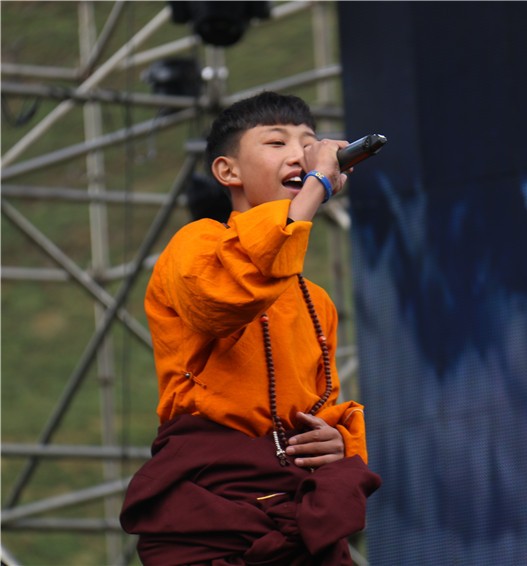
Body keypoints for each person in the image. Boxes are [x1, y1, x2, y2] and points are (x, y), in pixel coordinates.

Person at [120, 91, 381, 565]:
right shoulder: (195, 245)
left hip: (296, 504)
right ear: (228, 171)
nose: (300, 155)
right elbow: (226, 301)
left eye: (309, 143)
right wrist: (316, 187)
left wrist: (339, 442)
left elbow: (321, 406)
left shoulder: (316, 301)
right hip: (213, 502)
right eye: (276, 143)